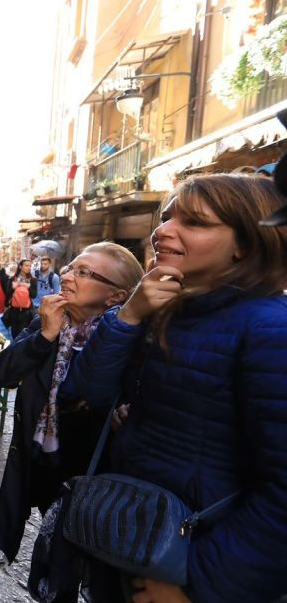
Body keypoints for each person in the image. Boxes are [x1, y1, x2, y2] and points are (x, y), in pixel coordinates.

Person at [58, 175, 287, 603]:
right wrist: (129, 316)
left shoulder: (271, 329)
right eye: (166, 217)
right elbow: (82, 391)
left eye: (194, 222)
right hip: (133, 535)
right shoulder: (167, 308)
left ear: (246, 243)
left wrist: (196, 585)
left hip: (185, 563)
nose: (163, 230)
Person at [0, 242, 143, 576]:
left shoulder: (129, 343)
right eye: (72, 268)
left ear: (115, 297)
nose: (68, 276)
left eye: (84, 273)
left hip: (92, 471)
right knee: (54, 557)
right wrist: (44, 335)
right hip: (43, 462)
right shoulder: (52, 320)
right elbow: (2, 373)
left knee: (86, 563)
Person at [3, 259, 37, 338]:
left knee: (23, 334)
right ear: (21, 266)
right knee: (14, 333)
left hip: (26, 311)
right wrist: (13, 287)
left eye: (30, 266)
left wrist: (28, 287)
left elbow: (34, 295)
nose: (28, 267)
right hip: (14, 310)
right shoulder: (13, 279)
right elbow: (8, 294)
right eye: (26, 265)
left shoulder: (33, 280)